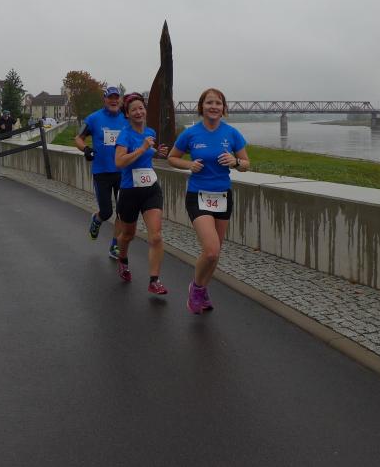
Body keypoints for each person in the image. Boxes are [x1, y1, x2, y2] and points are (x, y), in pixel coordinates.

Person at [166, 88, 250, 314]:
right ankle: (196, 287)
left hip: (223, 196)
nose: (214, 106)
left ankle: (202, 290)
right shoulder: (191, 133)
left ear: (224, 108)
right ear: (201, 107)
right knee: (211, 250)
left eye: (218, 103)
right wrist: (189, 165)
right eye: (209, 102)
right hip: (198, 195)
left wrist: (235, 162)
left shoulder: (231, 133)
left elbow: (246, 164)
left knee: (215, 254)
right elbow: (172, 158)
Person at [113, 92, 169, 293]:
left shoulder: (150, 132)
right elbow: (119, 162)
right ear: (127, 114)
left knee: (156, 236)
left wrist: (157, 152)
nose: (139, 112)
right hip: (129, 191)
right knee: (128, 234)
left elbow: (148, 154)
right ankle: (122, 259)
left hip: (150, 189)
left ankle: (154, 280)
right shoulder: (124, 135)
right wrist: (143, 148)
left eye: (141, 108)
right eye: (134, 109)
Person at [75, 86, 128, 259]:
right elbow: (78, 138)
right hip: (102, 172)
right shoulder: (93, 118)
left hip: (122, 172)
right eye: (110, 97)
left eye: (116, 97)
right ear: (104, 99)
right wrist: (86, 149)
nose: (114, 100)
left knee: (122, 212)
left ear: (120, 100)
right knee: (107, 212)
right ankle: (97, 220)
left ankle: (115, 245)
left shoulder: (126, 118)